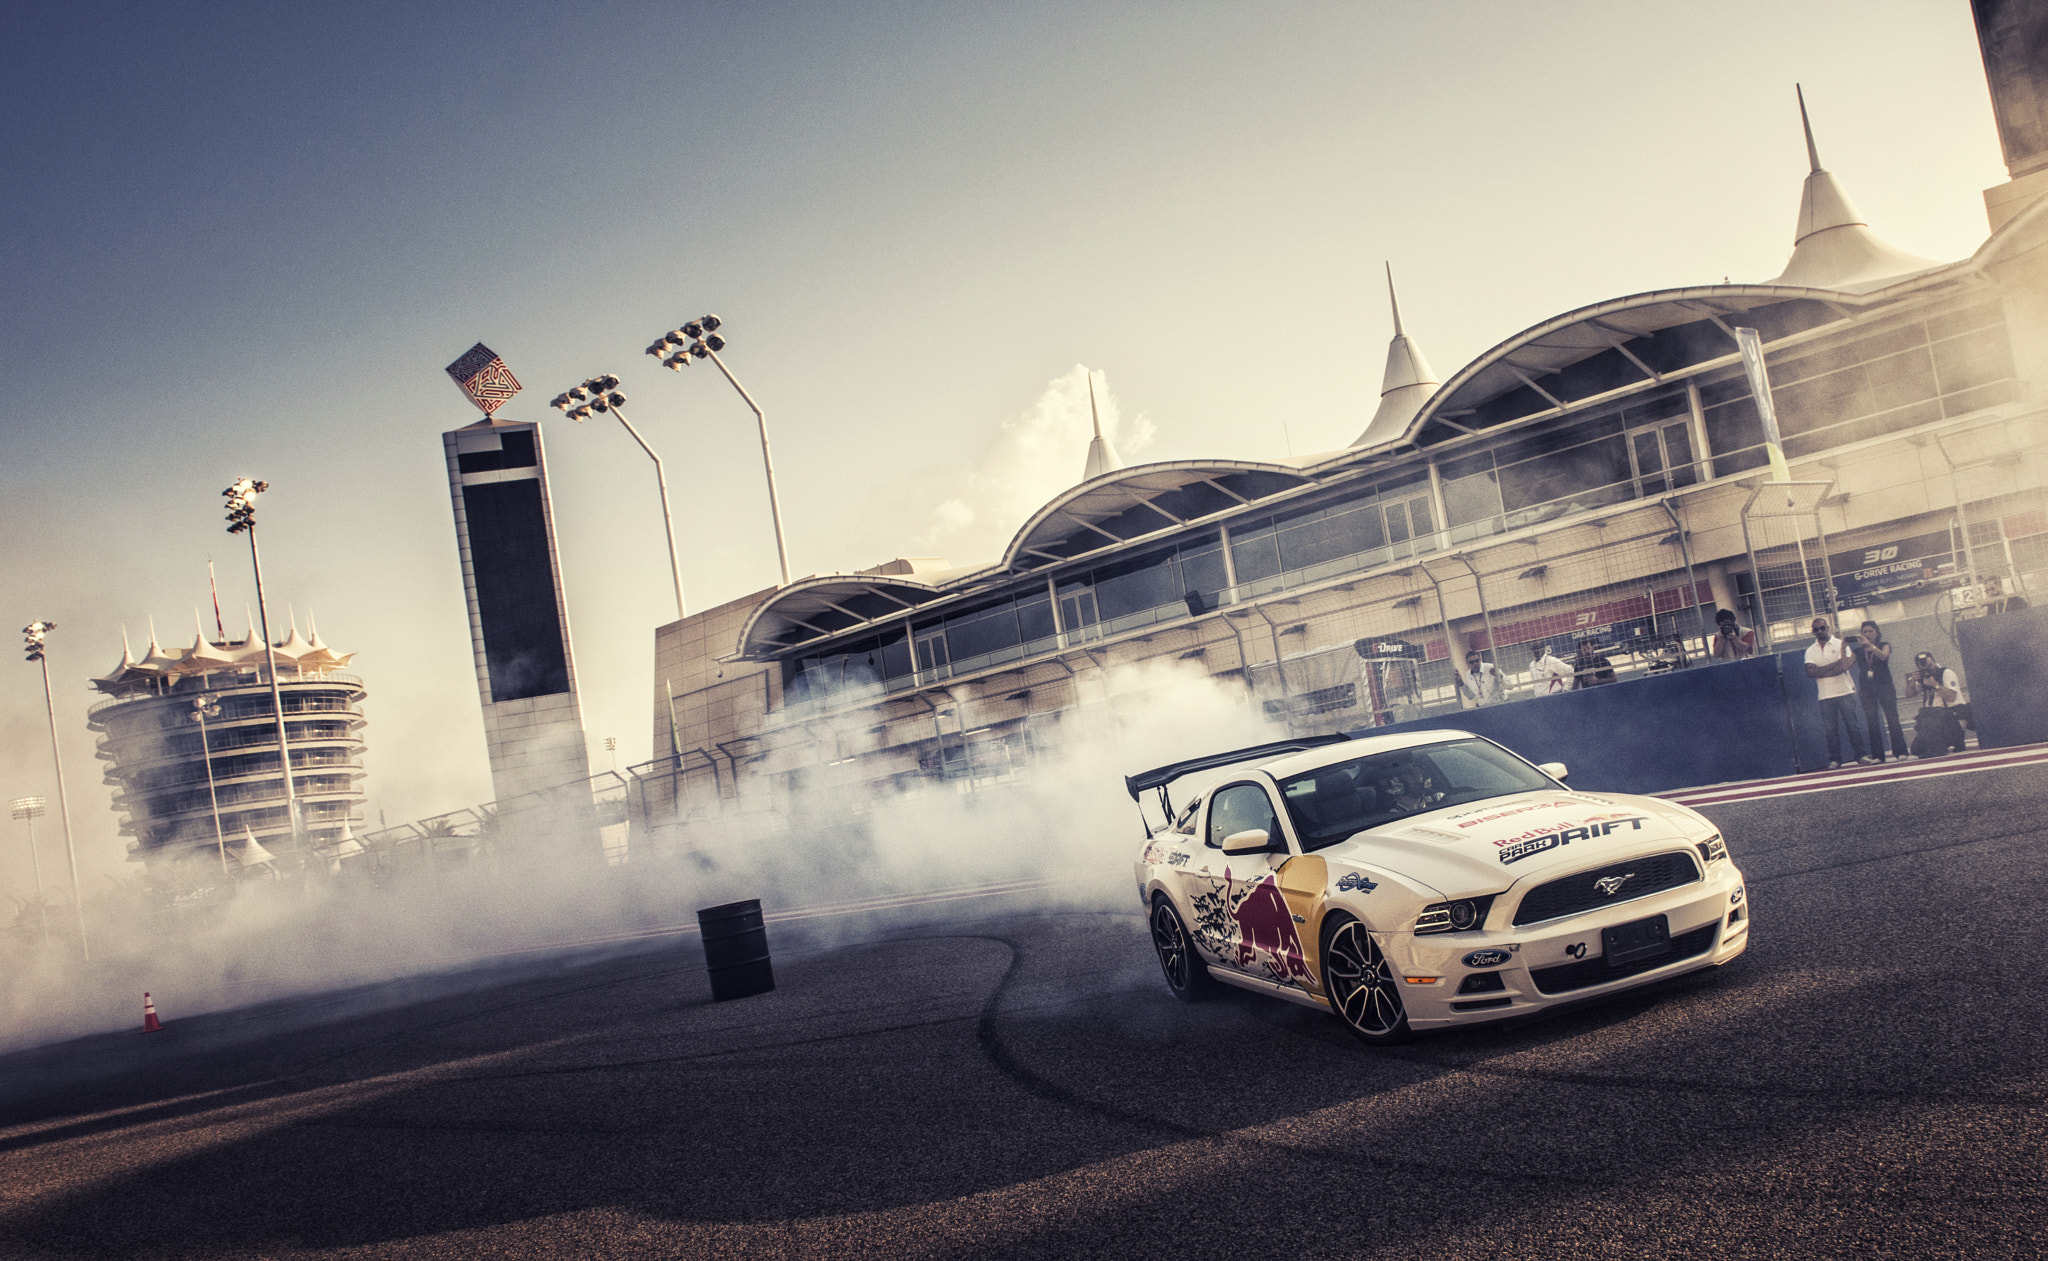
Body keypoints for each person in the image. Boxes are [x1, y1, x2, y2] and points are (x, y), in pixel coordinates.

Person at [1804, 618, 1873, 769]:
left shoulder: (1839, 644)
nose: (1820, 631)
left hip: (1844, 691)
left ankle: (1860, 755)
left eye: (1822, 628)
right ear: (1812, 631)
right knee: (1830, 730)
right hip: (1825, 695)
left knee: (1852, 726)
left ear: (1827, 628)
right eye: (1816, 629)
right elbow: (1810, 672)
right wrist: (1832, 667)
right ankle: (1835, 759)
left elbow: (1843, 666)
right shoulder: (1810, 650)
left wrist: (1821, 670)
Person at [1853, 620, 1906, 762]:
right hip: (1866, 688)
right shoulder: (1858, 651)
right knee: (1872, 721)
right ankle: (1878, 755)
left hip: (1884, 685)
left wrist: (1870, 646)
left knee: (1892, 717)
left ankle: (1901, 751)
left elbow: (1883, 656)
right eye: (1864, 632)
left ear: (1877, 632)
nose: (1867, 634)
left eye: (1870, 631)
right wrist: (1842, 647)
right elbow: (1846, 664)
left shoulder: (1884, 645)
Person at [1907, 651, 1967, 757]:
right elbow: (1909, 694)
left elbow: (1952, 698)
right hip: (1932, 719)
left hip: (1952, 717)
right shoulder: (1923, 677)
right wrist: (1912, 680)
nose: (1927, 669)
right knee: (1916, 749)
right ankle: (1939, 744)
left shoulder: (1946, 673)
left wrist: (1935, 684)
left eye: (1929, 665)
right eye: (1923, 667)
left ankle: (1950, 743)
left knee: (1935, 718)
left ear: (1934, 661)